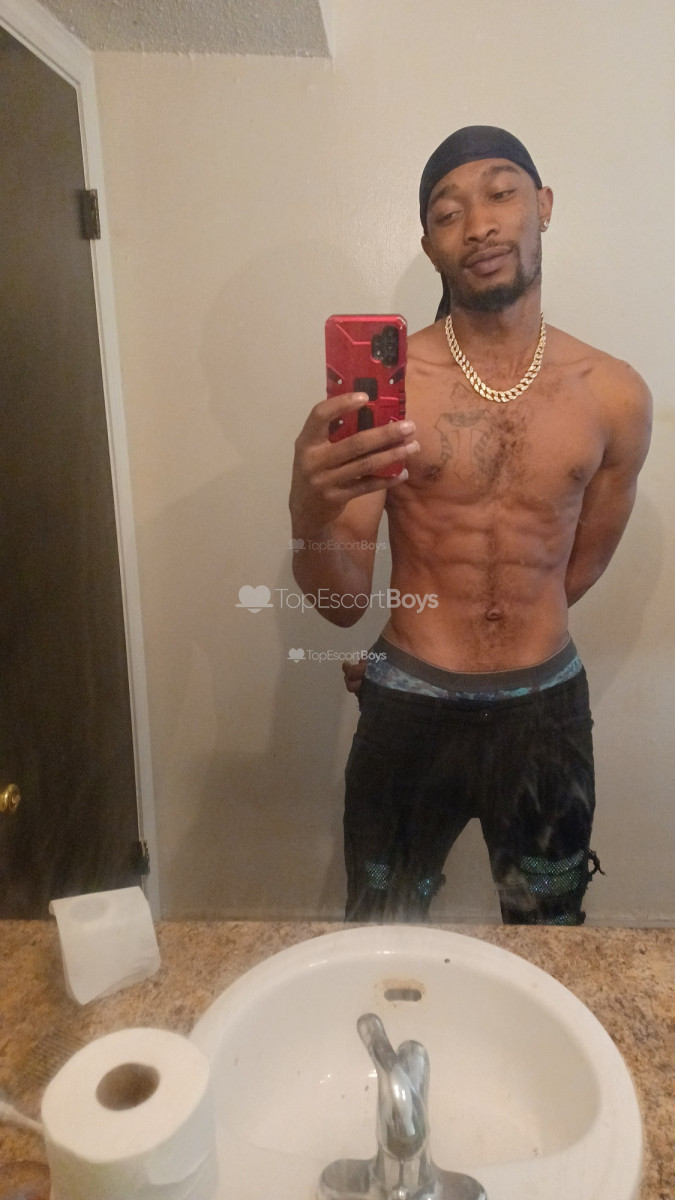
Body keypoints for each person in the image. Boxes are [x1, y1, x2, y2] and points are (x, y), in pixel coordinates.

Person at [289, 126, 652, 925]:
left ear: (542, 206)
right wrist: (306, 509)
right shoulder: (386, 391)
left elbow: (574, 569)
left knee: (550, 927)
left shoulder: (614, 394)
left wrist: (507, 623)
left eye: (500, 193)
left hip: (544, 713)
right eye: (448, 213)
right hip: (407, 705)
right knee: (382, 929)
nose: (479, 224)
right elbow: (340, 604)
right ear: (429, 245)